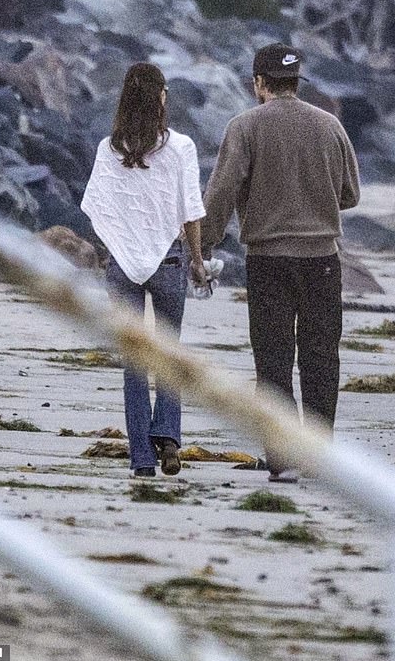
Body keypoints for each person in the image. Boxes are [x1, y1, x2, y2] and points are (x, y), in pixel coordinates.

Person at [201, 43, 361, 481]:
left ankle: (282, 456)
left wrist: (203, 243)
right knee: (321, 358)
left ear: (258, 83)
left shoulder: (245, 127)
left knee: (272, 359)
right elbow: (350, 195)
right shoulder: (330, 126)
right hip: (323, 261)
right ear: (295, 82)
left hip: (268, 261)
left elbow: (221, 193)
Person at [81, 63, 207, 478]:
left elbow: (97, 209)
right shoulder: (181, 147)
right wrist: (199, 261)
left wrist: (115, 248)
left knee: (134, 361)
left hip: (121, 264)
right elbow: (191, 211)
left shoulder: (108, 148)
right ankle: (168, 434)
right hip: (170, 259)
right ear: (162, 98)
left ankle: (141, 459)